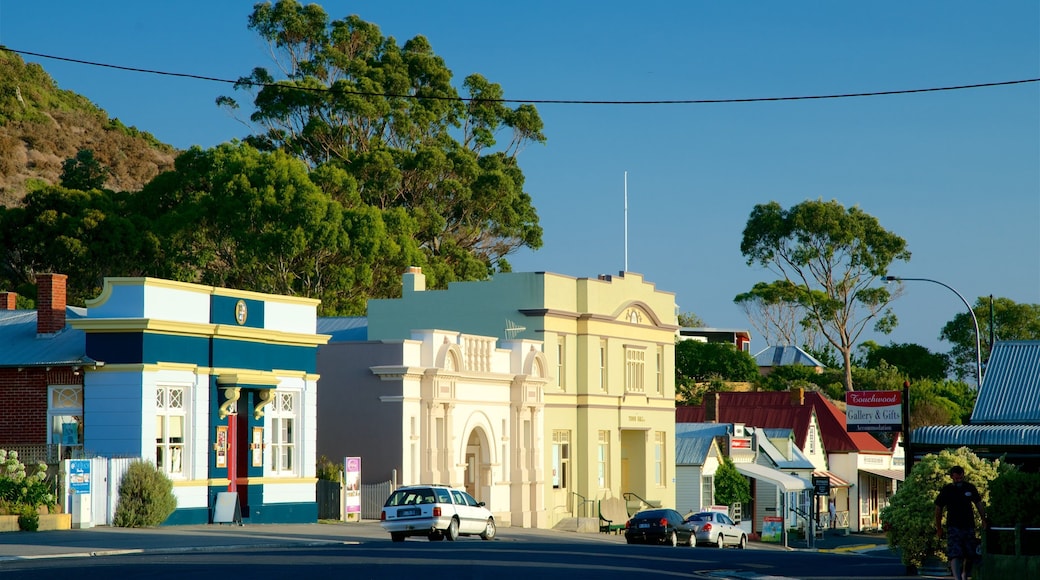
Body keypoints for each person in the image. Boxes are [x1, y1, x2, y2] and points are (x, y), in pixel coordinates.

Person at [934, 465, 988, 580]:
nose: (959, 481)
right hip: (953, 526)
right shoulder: (947, 490)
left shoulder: (970, 488)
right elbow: (938, 508)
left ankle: (964, 574)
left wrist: (983, 518)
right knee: (955, 553)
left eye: (961, 478)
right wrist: (939, 528)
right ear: (952, 477)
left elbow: (978, 503)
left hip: (968, 525)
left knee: (970, 553)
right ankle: (957, 578)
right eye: (956, 478)